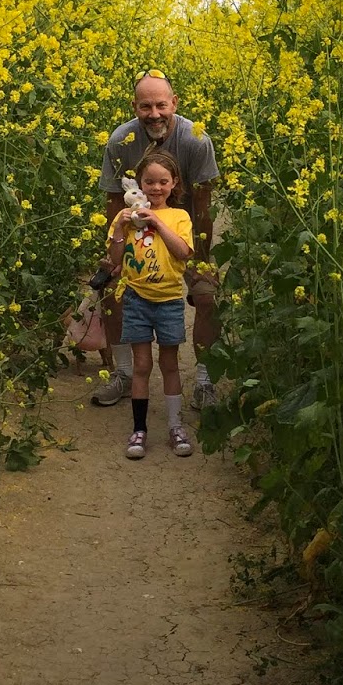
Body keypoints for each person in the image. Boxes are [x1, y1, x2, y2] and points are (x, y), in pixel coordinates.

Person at [93, 68, 220, 410]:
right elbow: (113, 202)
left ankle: (205, 380)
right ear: (134, 106)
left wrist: (201, 258)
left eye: (161, 106)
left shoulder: (195, 140)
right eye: (145, 107)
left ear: (174, 103)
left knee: (207, 297)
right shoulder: (121, 141)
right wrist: (113, 257)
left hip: (183, 231)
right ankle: (122, 373)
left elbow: (204, 206)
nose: (154, 114)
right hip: (137, 234)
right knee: (111, 292)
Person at [107, 150, 195, 459]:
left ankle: (175, 425)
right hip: (136, 300)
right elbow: (115, 262)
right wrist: (120, 226)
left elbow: (183, 252)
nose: (155, 189)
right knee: (142, 365)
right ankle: (139, 429)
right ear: (137, 185)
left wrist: (156, 220)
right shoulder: (127, 219)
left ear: (174, 184)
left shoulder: (179, 216)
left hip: (169, 300)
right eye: (148, 183)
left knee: (169, 364)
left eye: (162, 182)